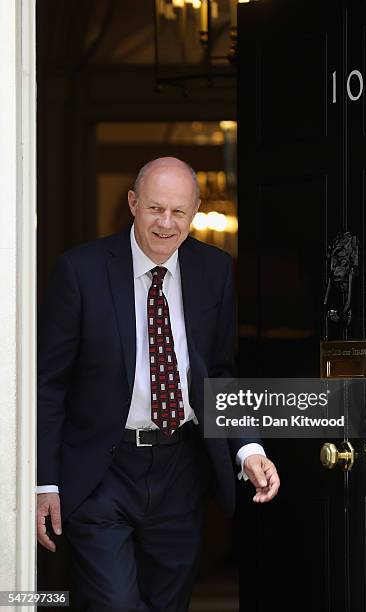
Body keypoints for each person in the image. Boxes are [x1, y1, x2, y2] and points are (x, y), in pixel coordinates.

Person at [36, 157, 280, 612]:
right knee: (115, 602)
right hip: (101, 469)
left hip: (181, 467)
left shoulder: (215, 270)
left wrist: (248, 449)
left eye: (178, 212)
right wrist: (44, 481)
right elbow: (49, 384)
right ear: (133, 204)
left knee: (169, 603)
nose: (166, 223)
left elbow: (221, 372)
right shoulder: (80, 271)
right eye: (154, 208)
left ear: (195, 211)